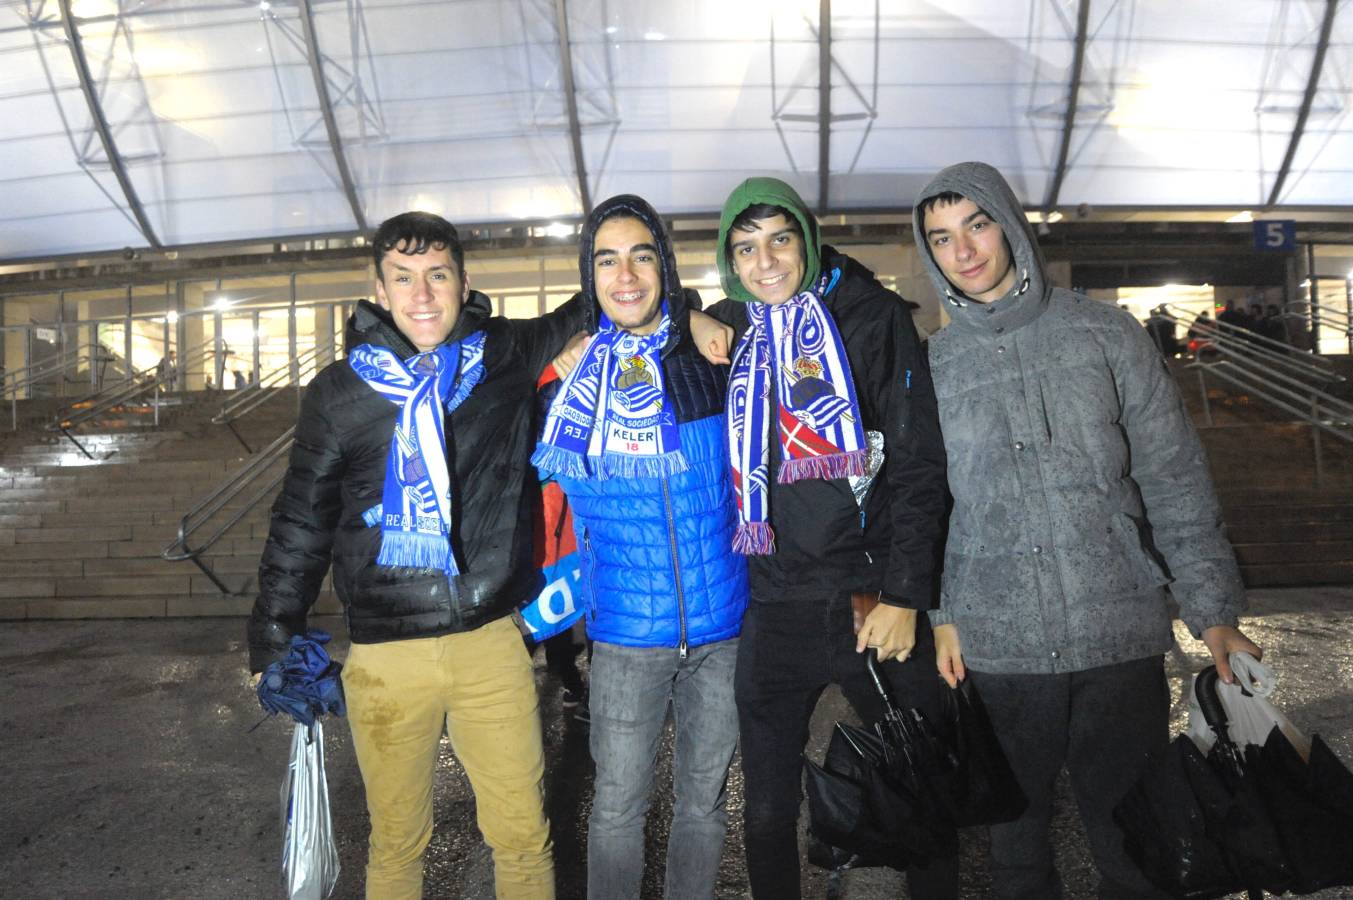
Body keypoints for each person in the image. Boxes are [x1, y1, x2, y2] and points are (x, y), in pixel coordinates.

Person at [912, 161, 1262, 900]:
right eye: (940, 237)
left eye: (976, 224)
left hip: (1117, 632)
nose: (964, 250)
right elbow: (926, 505)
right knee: (1015, 856)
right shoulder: (931, 366)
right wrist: (943, 613)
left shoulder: (1104, 335)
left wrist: (1213, 612)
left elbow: (1171, 476)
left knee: (1133, 846)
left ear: (1008, 225)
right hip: (998, 643)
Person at [246, 211, 589, 900]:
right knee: (397, 845)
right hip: (384, 658)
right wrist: (272, 639)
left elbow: (614, 294)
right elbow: (300, 523)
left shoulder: (505, 356)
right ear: (378, 287)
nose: (422, 294)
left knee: (522, 838)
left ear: (464, 282)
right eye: (403, 278)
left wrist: (699, 311)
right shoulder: (339, 393)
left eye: (437, 275)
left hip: (489, 641)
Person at [703, 178, 953, 899]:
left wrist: (906, 595)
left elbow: (916, 464)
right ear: (730, 261)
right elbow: (643, 319)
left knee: (921, 784)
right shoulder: (732, 325)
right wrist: (692, 320)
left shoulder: (869, 317)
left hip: (868, 601)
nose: (766, 262)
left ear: (805, 242)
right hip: (775, 604)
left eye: (780, 239)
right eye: (745, 248)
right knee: (767, 810)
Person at [532, 194, 749, 900]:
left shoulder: (717, 359)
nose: (625, 274)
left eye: (641, 255)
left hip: (724, 633)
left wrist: (691, 315)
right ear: (587, 276)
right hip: (626, 638)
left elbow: (789, 290)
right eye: (606, 259)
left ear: (665, 266)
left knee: (703, 807)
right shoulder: (567, 384)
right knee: (618, 811)